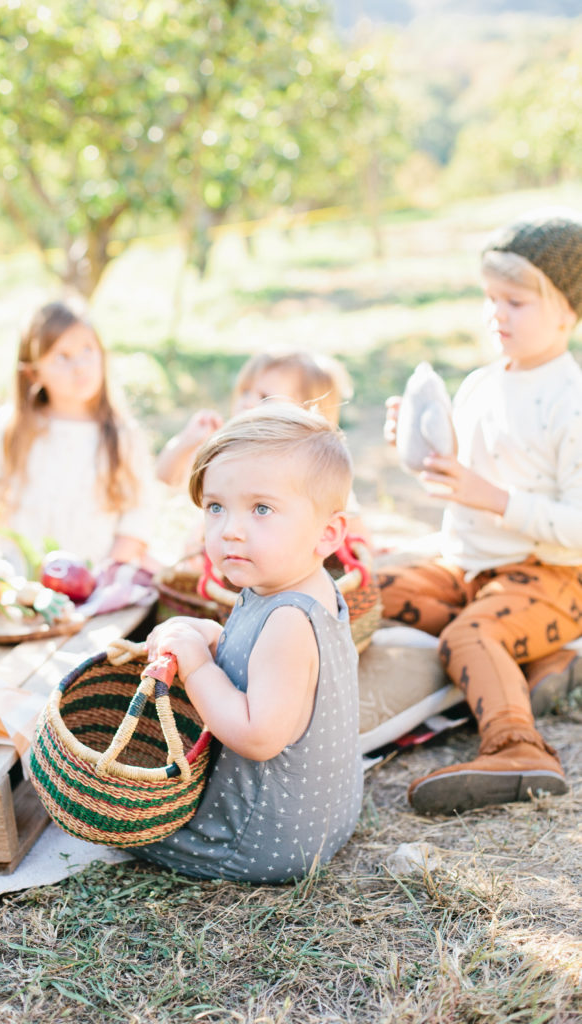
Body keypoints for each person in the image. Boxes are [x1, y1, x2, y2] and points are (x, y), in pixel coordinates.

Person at [380, 209, 582, 815]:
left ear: (568, 311)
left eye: (516, 301)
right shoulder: (480, 384)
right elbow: (459, 480)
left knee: (469, 634)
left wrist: (491, 497)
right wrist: (414, 448)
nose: (497, 313)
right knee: (367, 586)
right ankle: (539, 659)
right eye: (490, 298)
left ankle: (519, 747)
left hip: (548, 577)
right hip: (468, 566)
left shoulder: (569, 403)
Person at [135, 404, 363, 883]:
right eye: (216, 507)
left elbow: (258, 736)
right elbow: (264, 669)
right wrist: (212, 637)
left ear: (328, 533)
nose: (230, 529)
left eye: (262, 508)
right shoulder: (296, 584)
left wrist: (196, 665)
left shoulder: (287, 618)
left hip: (263, 839)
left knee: (131, 820)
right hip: (318, 820)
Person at [0, 301, 155, 569]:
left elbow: (137, 518)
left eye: (88, 350)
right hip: (18, 581)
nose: (80, 366)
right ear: (33, 372)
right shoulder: (16, 428)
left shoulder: (121, 436)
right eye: (62, 357)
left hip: (90, 585)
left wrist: (104, 574)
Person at [155, 348, 369, 547]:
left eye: (264, 397)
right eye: (245, 392)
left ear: (306, 412)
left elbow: (348, 516)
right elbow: (166, 476)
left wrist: (368, 550)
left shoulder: (316, 466)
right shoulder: (226, 450)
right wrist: (187, 441)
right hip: (219, 553)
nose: (247, 403)